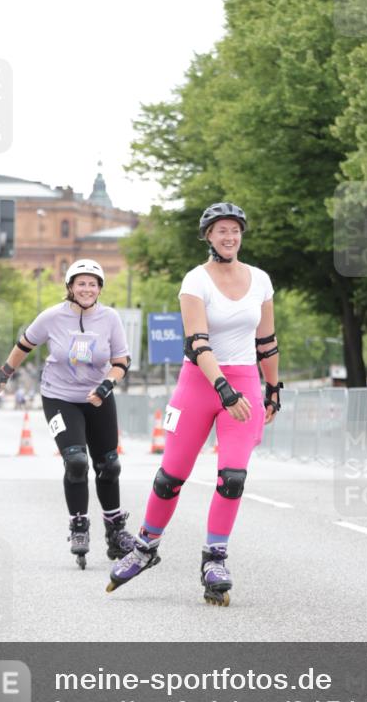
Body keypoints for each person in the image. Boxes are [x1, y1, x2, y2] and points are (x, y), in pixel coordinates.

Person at [107, 202, 282, 605]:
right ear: (208, 236)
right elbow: (197, 342)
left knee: (233, 477)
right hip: (200, 382)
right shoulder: (195, 280)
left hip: (243, 382)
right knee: (171, 476)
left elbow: (267, 343)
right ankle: (146, 547)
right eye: (221, 230)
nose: (229, 236)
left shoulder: (260, 281)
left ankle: (214, 558)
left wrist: (272, 389)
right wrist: (222, 388)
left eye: (235, 230)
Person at [0, 258, 134, 569]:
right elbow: (24, 344)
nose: (86, 289)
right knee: (76, 460)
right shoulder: (52, 317)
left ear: (99, 289)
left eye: (92, 284)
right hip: (59, 397)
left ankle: (116, 531)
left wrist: (108, 385)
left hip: (98, 397)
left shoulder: (110, 318)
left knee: (108, 465)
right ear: (70, 287)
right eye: (80, 283)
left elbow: (121, 361)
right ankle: (78, 526)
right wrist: (4, 373)